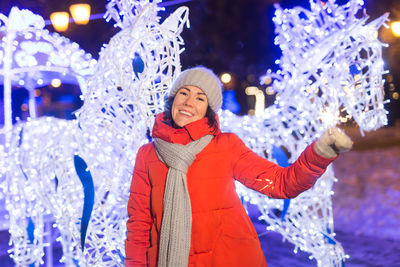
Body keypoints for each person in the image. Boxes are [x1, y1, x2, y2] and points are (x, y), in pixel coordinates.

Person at [124, 66, 353, 267]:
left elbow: (281, 184)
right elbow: (139, 224)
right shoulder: (148, 155)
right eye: (183, 93)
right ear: (172, 100)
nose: (188, 102)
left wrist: (319, 154)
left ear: (208, 111)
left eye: (200, 98)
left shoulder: (226, 146)